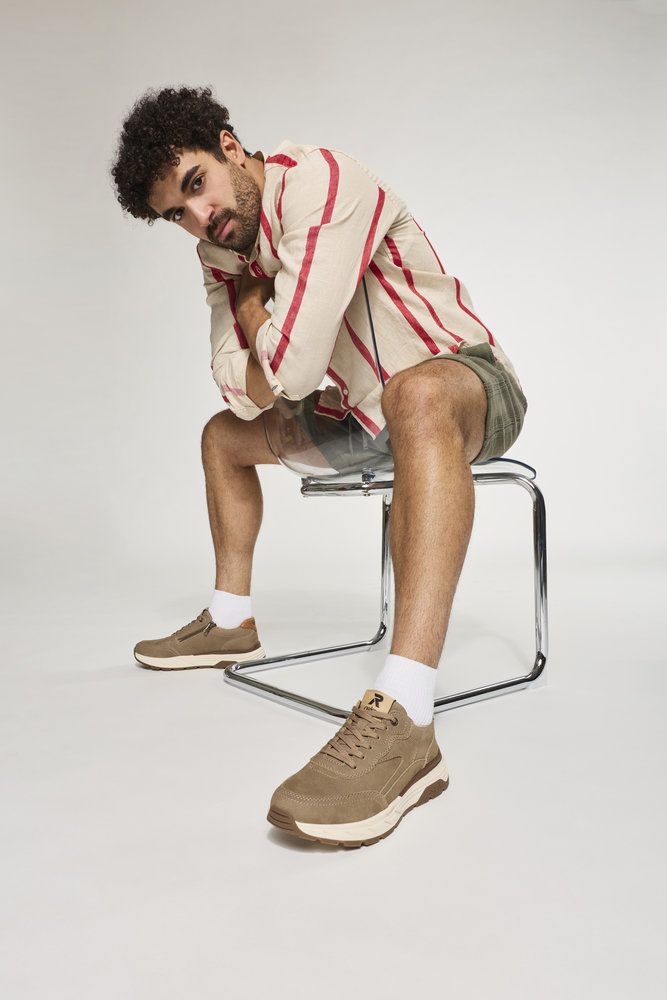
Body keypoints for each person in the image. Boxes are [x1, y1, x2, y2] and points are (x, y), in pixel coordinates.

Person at [111, 86, 527, 847]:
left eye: (197, 183)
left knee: (416, 395)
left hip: (463, 387)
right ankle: (230, 622)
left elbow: (290, 371)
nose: (199, 218)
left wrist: (251, 312)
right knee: (221, 439)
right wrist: (261, 347)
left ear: (229, 146)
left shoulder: (324, 185)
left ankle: (407, 716)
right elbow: (234, 387)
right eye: (177, 213)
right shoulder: (219, 251)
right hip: (357, 417)